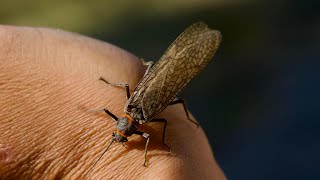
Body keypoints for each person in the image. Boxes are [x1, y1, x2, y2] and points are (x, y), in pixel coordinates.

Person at [0, 25, 226, 179]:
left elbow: (156, 128)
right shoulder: (129, 111)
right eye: (120, 135)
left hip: (161, 87)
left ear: (124, 129)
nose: (121, 137)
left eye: (120, 135)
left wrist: (152, 153)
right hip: (154, 85)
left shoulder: (140, 119)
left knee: (176, 91)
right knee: (162, 70)